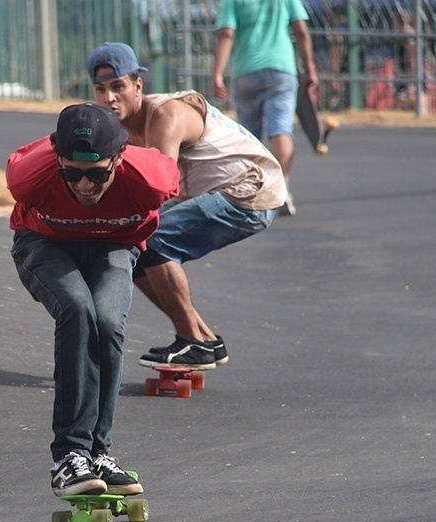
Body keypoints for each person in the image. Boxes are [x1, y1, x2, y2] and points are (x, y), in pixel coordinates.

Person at [6, 102, 179, 497]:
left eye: (98, 174)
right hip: (44, 244)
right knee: (76, 309)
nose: (85, 186)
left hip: (114, 248)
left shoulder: (151, 179)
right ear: (57, 159)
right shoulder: (28, 174)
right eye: (72, 173)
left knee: (106, 321)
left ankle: (98, 453)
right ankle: (68, 457)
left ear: (119, 157)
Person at [86, 42, 287, 370]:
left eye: (118, 87)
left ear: (138, 86)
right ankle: (205, 340)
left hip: (251, 190)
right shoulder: (121, 128)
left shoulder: (165, 116)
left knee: (150, 239)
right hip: (221, 191)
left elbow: (158, 188)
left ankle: (191, 340)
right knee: (129, 248)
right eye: (100, 89)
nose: (109, 98)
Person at [212, 0, 318, 216]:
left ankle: (252, 191)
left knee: (249, 137)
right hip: (281, 69)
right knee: (280, 129)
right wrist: (310, 68)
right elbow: (301, 31)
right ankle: (282, 189)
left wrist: (217, 73)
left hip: (246, 70)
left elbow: (226, 34)